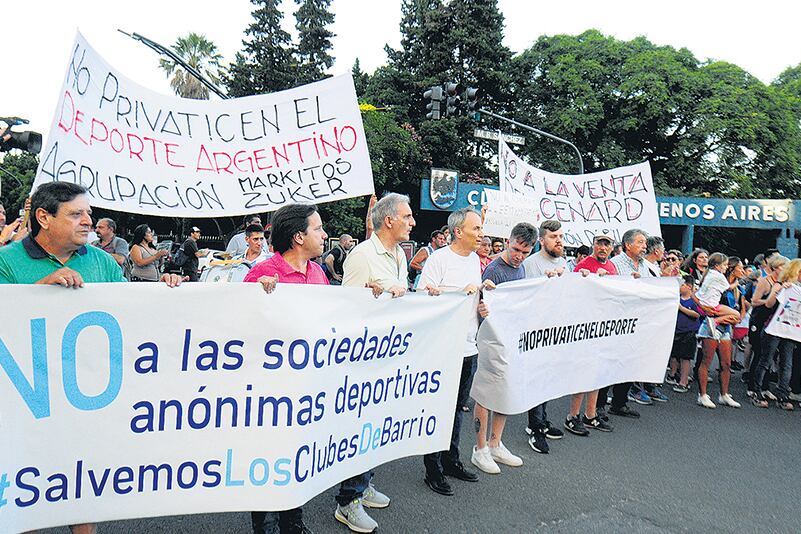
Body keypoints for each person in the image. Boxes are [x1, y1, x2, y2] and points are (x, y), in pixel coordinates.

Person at [0, 182, 183, 534]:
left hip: (84, 398)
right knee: (23, 494)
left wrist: (169, 290)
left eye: (89, 213)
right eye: (76, 214)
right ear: (44, 218)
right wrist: (41, 291)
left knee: (77, 489)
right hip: (25, 401)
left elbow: (132, 311)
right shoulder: (7, 261)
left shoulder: (100, 261)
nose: (88, 221)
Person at [243, 204, 326, 534]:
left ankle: (294, 522)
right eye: (318, 228)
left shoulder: (319, 275)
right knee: (266, 461)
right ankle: (265, 526)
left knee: (297, 458)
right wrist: (254, 295)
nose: (324, 234)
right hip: (268, 392)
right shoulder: (261, 274)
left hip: (305, 389)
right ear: (298, 237)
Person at [336, 193, 416, 532]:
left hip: (389, 358)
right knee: (360, 430)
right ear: (389, 221)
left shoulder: (399, 253)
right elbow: (347, 310)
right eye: (408, 216)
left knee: (378, 430)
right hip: (363, 363)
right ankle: (347, 501)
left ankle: (365, 481)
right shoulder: (362, 256)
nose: (413, 222)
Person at [419, 207, 492, 496]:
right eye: (476, 229)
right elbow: (424, 298)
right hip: (443, 350)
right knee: (439, 409)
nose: (481, 235)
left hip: (468, 346)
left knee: (458, 410)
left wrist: (481, 305)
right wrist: (459, 293)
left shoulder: (475, 260)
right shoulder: (438, 260)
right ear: (458, 231)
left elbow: (474, 299)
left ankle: (451, 460)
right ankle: (432, 469)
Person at [471, 222, 536, 474]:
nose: (519, 256)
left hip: (509, 340)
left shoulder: (521, 270)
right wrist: (483, 306)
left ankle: (495, 443)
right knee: (486, 395)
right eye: (516, 249)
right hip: (490, 340)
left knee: (505, 391)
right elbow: (478, 306)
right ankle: (480, 449)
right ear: (508, 242)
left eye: (525, 252)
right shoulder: (494, 269)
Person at [521, 220, 567, 453]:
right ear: (541, 240)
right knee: (537, 380)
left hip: (557, 332)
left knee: (548, 380)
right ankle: (535, 428)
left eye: (561, 236)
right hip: (537, 332)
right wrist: (545, 283)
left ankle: (543, 419)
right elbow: (526, 299)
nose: (559, 240)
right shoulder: (531, 264)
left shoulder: (565, 263)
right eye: (553, 237)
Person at [568, 234, 617, 433]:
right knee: (583, 372)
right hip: (586, 325)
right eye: (600, 244)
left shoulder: (612, 268)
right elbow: (573, 292)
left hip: (603, 326)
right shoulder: (584, 265)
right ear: (594, 246)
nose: (603, 248)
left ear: (612, 248)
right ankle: (572, 415)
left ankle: (590, 414)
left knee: (597, 373)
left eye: (607, 244)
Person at [606, 228, 650, 415]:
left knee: (631, 363)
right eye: (640, 242)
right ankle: (598, 407)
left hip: (638, 322)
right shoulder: (614, 264)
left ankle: (619, 402)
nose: (644, 246)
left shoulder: (645, 266)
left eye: (645, 243)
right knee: (610, 365)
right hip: (618, 322)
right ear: (627, 245)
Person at [695, 257, 745, 409]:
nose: (742, 271)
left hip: (726, 327)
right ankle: (702, 395)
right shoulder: (718, 280)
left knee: (726, 363)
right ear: (731, 268)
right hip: (711, 323)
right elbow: (696, 295)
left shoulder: (737, 288)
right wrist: (704, 309)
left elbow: (740, 309)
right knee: (706, 361)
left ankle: (724, 395)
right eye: (740, 268)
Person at [751, 257, 798, 410]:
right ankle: (757, 392)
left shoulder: (796, 288)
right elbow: (769, 304)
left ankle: (782, 395)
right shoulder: (781, 285)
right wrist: (777, 290)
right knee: (766, 360)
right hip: (774, 328)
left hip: (791, 331)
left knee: (786, 364)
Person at [666, 275, 703, 393]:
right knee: (674, 355)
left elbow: (697, 314)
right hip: (676, 330)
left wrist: (681, 308)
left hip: (689, 332)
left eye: (682, 285)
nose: (679, 287)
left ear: (689, 286)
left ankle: (684, 381)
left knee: (685, 357)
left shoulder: (694, 300)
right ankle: (672, 374)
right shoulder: (676, 297)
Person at [695, 252, 741, 340]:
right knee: (737, 315)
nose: (726, 267)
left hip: (702, 304)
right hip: (712, 306)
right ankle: (715, 321)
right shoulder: (719, 276)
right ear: (717, 266)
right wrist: (736, 283)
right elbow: (729, 287)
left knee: (734, 318)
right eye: (724, 265)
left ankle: (715, 322)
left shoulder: (708, 273)